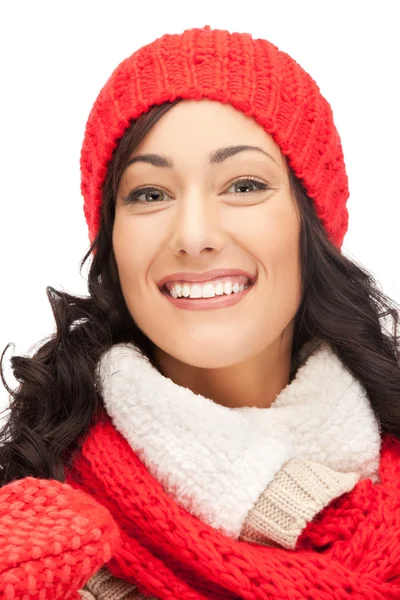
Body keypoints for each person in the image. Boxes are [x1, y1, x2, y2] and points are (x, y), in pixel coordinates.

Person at [1, 25, 400, 600]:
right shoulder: (34, 548)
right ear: (113, 243)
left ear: (310, 224)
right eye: (149, 194)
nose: (193, 234)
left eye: (243, 184)